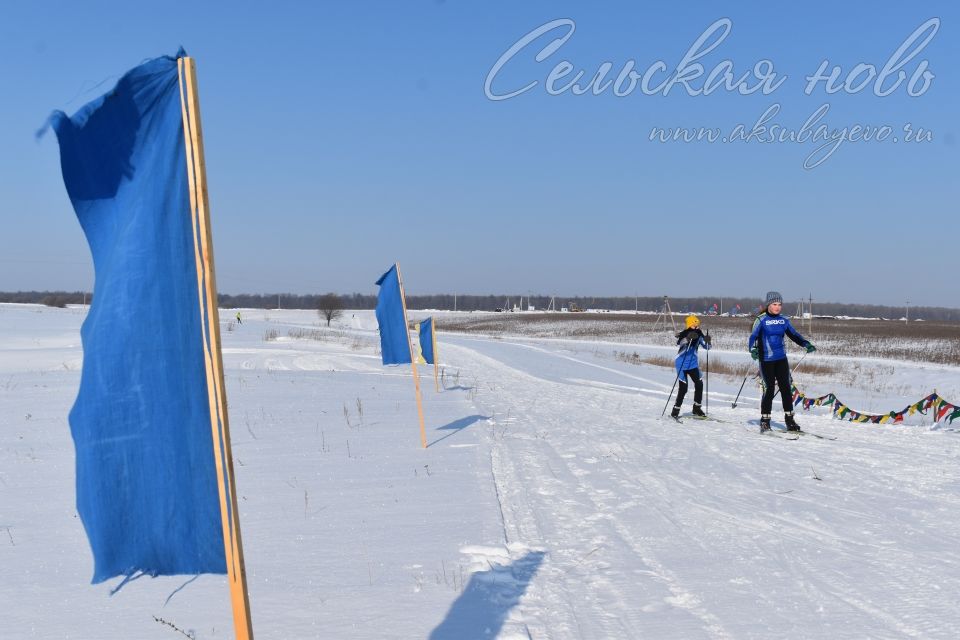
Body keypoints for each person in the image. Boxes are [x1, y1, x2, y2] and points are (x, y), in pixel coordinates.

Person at [748, 292, 816, 432]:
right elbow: (753, 337)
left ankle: (789, 420)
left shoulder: (784, 320)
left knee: (786, 388)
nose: (777, 307)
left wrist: (806, 344)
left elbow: (794, 335)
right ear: (768, 305)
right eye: (774, 304)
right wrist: (753, 349)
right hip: (766, 360)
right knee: (769, 389)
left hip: (781, 359)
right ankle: (765, 421)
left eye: (779, 304)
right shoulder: (760, 320)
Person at [671, 314, 712, 419]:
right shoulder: (684, 334)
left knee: (699, 384)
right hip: (681, 364)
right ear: (689, 325)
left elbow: (707, 347)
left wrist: (708, 341)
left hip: (693, 364)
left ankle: (696, 408)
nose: (697, 327)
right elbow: (680, 343)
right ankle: (675, 410)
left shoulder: (699, 335)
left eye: (697, 325)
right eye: (694, 325)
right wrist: (688, 338)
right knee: (683, 388)